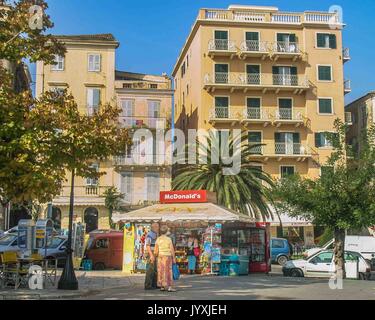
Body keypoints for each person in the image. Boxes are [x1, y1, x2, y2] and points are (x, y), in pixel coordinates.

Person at [154, 225, 177, 292]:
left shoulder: (158, 239)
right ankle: (170, 287)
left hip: (160, 256)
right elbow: (172, 249)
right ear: (166, 232)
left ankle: (162, 286)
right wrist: (174, 258)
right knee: (168, 271)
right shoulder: (168, 239)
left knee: (160, 270)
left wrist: (155, 256)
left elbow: (156, 250)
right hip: (167, 256)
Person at [144, 223, 159, 290]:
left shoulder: (155, 234)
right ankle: (148, 285)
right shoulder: (150, 235)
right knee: (150, 270)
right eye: (157, 227)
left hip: (154, 253)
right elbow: (148, 245)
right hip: (151, 253)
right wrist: (151, 255)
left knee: (155, 270)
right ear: (153, 227)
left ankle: (154, 284)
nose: (158, 228)